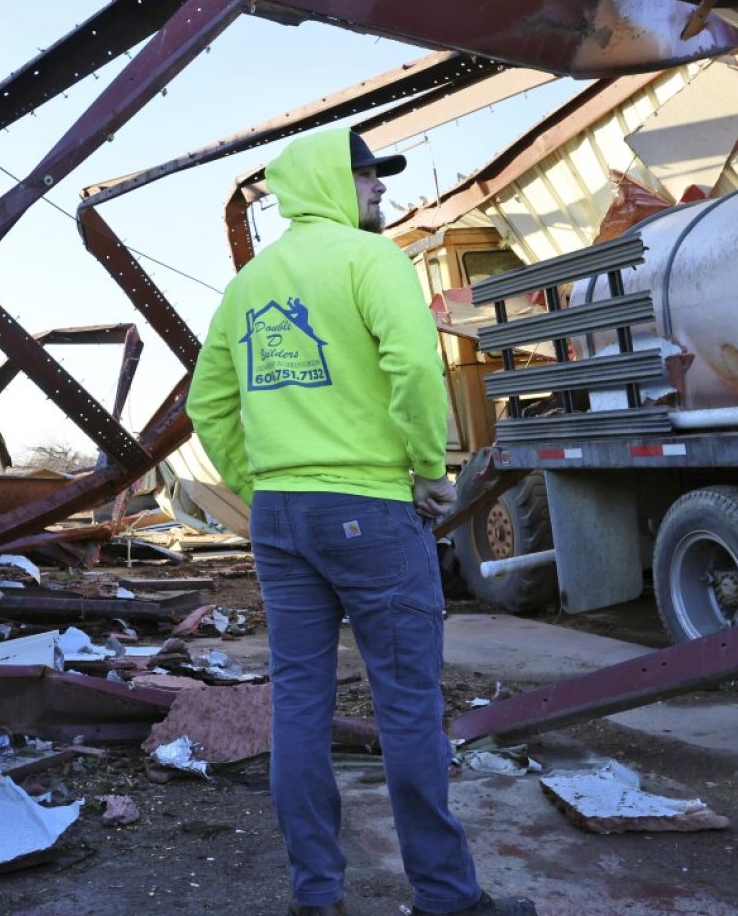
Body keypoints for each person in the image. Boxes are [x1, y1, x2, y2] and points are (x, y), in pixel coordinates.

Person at [186, 128, 537, 916]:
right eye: (365, 175)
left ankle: (318, 899)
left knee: (300, 705)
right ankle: (446, 899)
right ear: (324, 181)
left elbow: (205, 405)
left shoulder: (248, 286)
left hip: (281, 518)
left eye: (379, 175)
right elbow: (413, 366)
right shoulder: (370, 259)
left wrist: (262, 481)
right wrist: (426, 470)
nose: (378, 187)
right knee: (407, 705)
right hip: (371, 509)